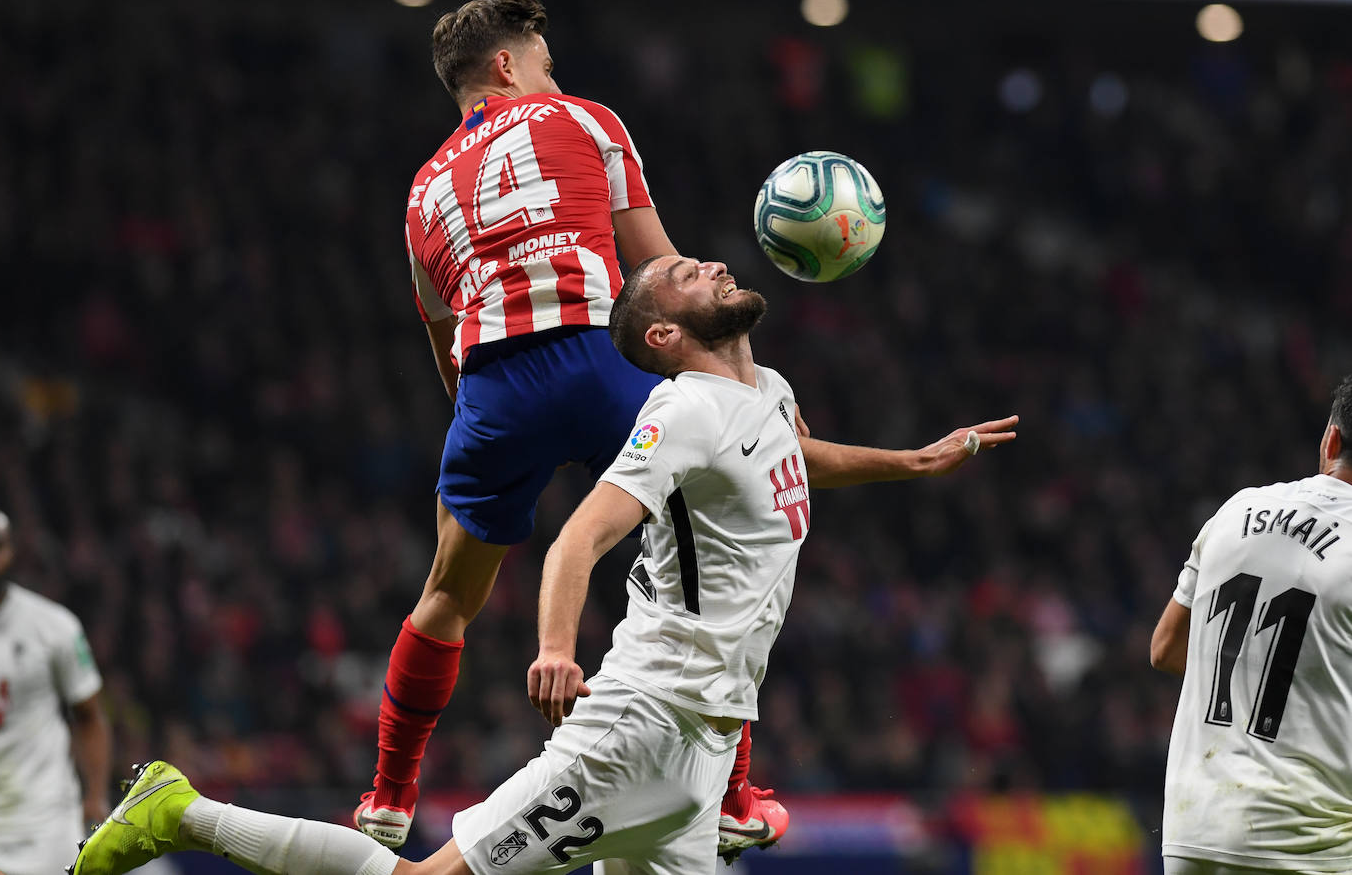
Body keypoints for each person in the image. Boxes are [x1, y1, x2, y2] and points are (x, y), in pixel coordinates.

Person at [71, 254, 1017, 875]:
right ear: (664, 335)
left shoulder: (767, 389)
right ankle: (180, 811)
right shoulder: (682, 409)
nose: (714, 264)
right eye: (688, 274)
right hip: (642, 722)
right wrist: (557, 648)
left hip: (708, 741)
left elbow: (795, 454)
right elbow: (578, 537)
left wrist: (915, 462)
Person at [360, 0, 797, 857]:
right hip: (599, 359)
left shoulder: (421, 193)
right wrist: (743, 393)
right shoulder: (586, 121)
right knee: (711, 540)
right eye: (545, 66)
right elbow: (662, 271)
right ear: (506, 65)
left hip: (493, 386)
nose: (554, 81)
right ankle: (736, 796)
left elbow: (445, 342)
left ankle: (389, 793)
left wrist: (489, 429)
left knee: (447, 594)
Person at [1151, 374, 1352, 875]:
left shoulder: (1236, 509)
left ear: (1330, 439)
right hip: (1309, 843)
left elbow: (1166, 648)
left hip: (1192, 836)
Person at [0, 504, 111, 875]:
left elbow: (89, 716)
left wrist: (95, 796)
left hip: (49, 826)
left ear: (11, 552)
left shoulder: (54, 627)